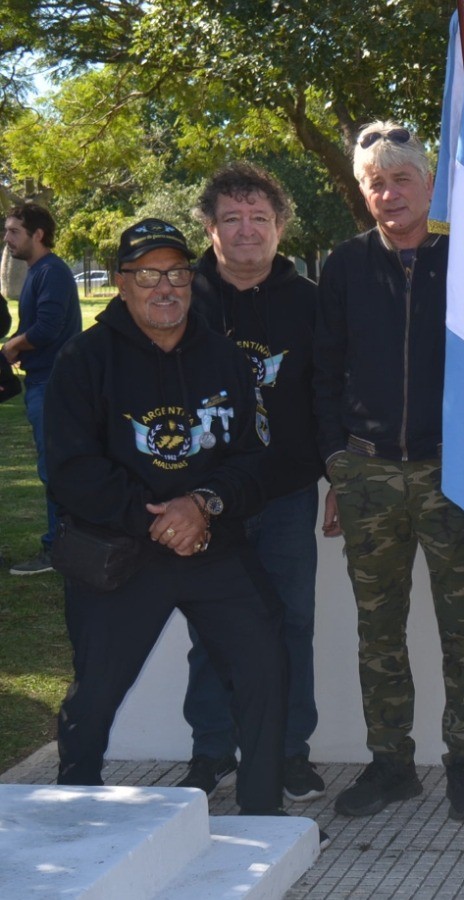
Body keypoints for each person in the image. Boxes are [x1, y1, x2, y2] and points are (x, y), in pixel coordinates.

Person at [47, 218, 286, 817]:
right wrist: (156, 518)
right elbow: (71, 468)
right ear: (122, 283)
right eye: (148, 274)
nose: (165, 287)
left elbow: (258, 459)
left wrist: (201, 506)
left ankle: (263, 812)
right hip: (120, 553)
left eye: (177, 273)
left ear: (191, 280)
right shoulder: (85, 359)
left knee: (264, 666)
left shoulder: (227, 359)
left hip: (212, 546)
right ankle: (74, 805)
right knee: (96, 691)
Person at [313, 121, 464, 821]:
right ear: (362, 193)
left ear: (428, 184)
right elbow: (323, 372)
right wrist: (336, 462)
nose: (389, 194)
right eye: (375, 183)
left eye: (401, 179)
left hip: (456, 474)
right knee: (378, 630)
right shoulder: (345, 265)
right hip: (370, 476)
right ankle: (391, 762)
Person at [176, 162, 324, 803]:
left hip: (287, 492)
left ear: (281, 227)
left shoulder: (311, 301)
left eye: (258, 218)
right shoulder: (181, 298)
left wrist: (337, 473)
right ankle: (211, 752)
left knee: (290, 623)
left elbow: (329, 392)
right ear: (208, 228)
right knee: (212, 628)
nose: (245, 231)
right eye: (231, 219)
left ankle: (289, 752)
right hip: (207, 497)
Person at [3, 201, 83, 575]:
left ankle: (58, 550)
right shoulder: (39, 271)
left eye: (14, 231)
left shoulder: (50, 271)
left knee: (55, 468)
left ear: (38, 234)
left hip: (53, 382)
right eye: (6, 231)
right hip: (41, 378)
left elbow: (49, 329)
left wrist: (14, 346)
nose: (7, 239)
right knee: (53, 467)